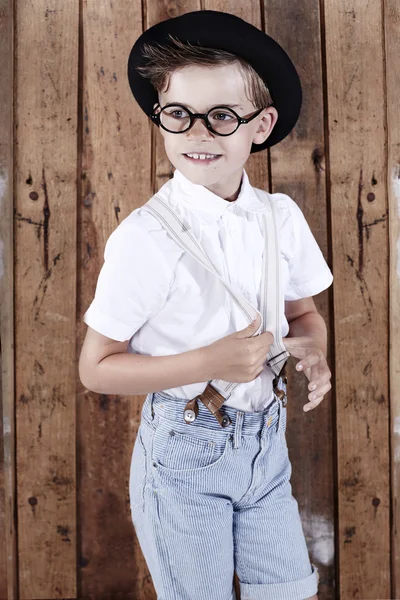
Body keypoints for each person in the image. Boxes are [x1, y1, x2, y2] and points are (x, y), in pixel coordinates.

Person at [79, 10, 333, 600]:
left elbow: (303, 314)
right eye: (178, 115)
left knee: (290, 591)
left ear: (261, 124)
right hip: (182, 458)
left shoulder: (279, 218)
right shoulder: (146, 238)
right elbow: (96, 368)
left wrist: (314, 348)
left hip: (266, 452)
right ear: (161, 118)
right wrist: (209, 362)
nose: (197, 134)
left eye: (221, 117)